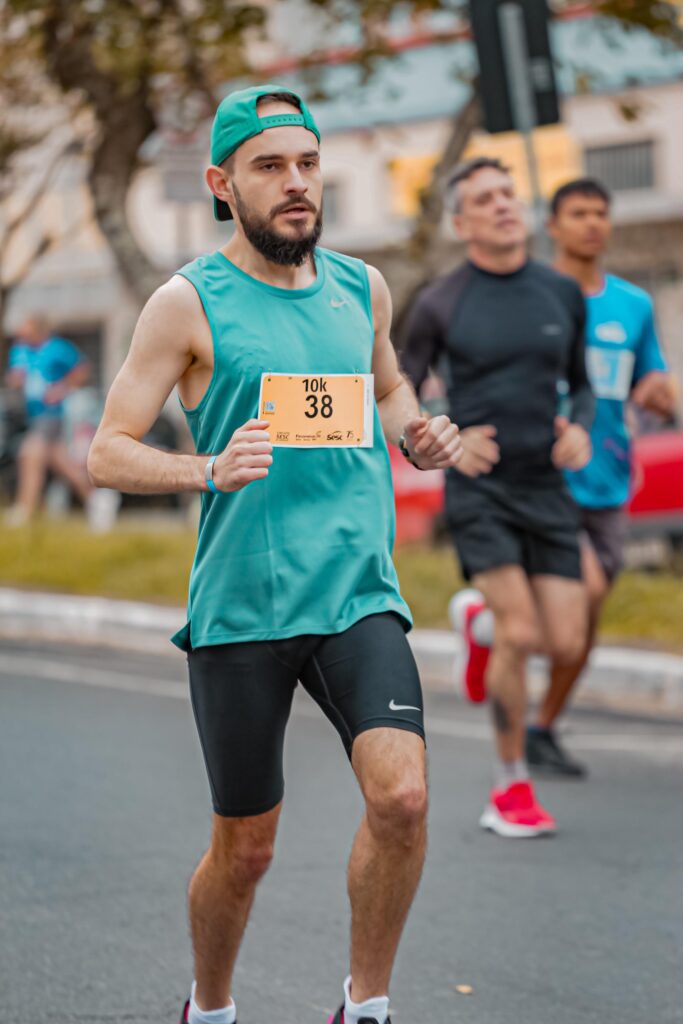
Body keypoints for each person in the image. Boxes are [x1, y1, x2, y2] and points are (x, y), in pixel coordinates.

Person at [87, 85, 463, 1024]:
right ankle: (209, 1006)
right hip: (244, 607)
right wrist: (207, 468)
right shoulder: (186, 303)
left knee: (404, 798)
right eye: (269, 167)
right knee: (245, 850)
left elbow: (386, 390)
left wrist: (416, 432)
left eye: (306, 164)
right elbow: (106, 450)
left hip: (355, 595)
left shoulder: (360, 287)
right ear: (222, 183)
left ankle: (364, 1005)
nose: (296, 184)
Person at [400, 157, 594, 838]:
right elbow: (401, 386)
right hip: (479, 487)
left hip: (546, 485)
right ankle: (509, 789)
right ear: (461, 222)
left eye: (507, 194)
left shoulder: (560, 293)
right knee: (523, 633)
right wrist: (446, 430)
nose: (502, 205)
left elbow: (583, 385)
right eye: (483, 199)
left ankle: (476, 623)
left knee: (564, 639)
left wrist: (580, 430)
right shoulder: (440, 300)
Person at [4, 316, 94, 525]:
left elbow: (82, 369)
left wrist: (62, 388)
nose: (22, 333)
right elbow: (16, 375)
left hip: (51, 414)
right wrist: (15, 381)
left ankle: (25, 509)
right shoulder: (20, 350)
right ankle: (96, 499)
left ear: (39, 329)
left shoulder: (58, 348)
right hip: (31, 415)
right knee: (61, 462)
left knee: (29, 454)